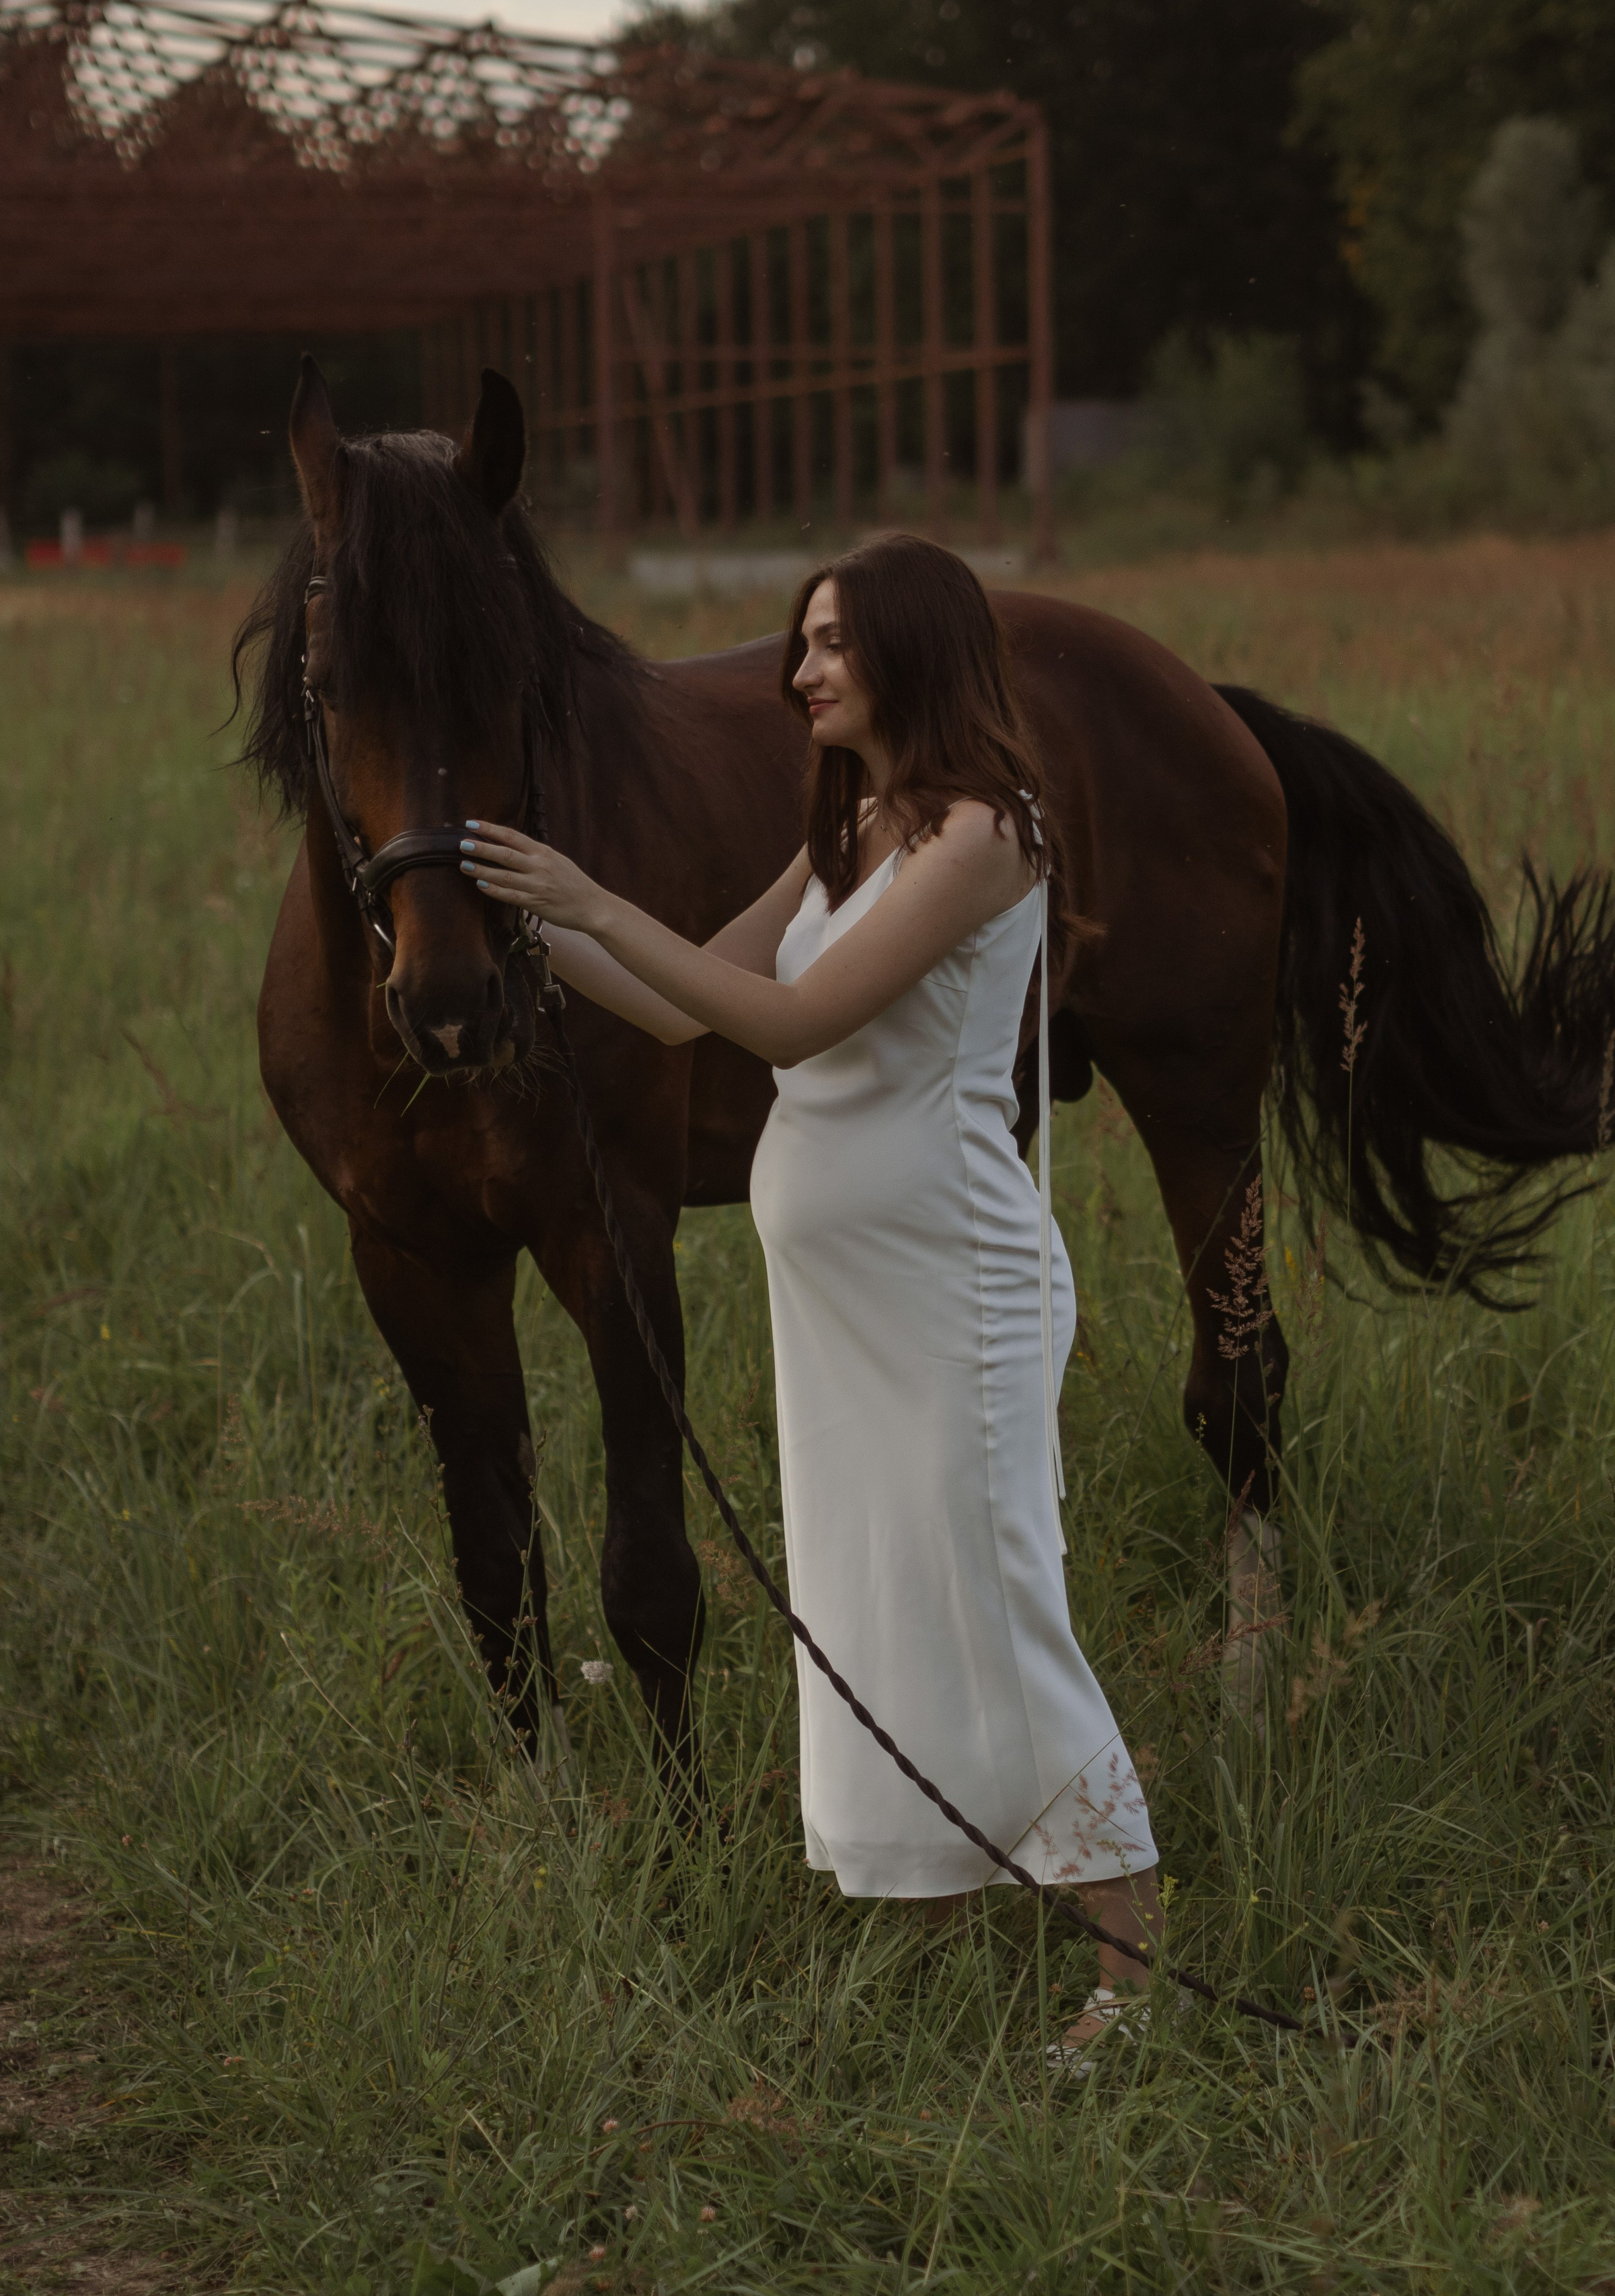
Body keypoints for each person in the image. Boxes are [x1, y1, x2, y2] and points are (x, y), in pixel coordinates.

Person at [459, 533, 1162, 2067]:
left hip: (950, 1291)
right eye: (802, 641)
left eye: (833, 640)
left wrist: (590, 889)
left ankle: (1131, 1969)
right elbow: (670, 998)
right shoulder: (850, 825)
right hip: (843, 1306)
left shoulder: (985, 834)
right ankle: (932, 1912)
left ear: (913, 647)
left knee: (992, 1604)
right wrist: (528, 921)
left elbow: (786, 1021)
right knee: (871, 1600)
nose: (800, 670)